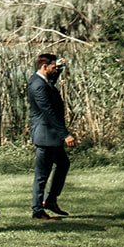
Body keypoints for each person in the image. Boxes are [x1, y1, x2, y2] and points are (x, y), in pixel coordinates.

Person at [28, 52, 76, 219]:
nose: (55, 70)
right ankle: (37, 210)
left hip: (51, 135)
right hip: (45, 136)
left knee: (63, 164)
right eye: (53, 67)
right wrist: (65, 134)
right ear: (44, 67)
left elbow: (52, 82)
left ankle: (50, 200)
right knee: (42, 175)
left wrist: (60, 68)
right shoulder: (37, 85)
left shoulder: (43, 81)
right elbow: (48, 112)